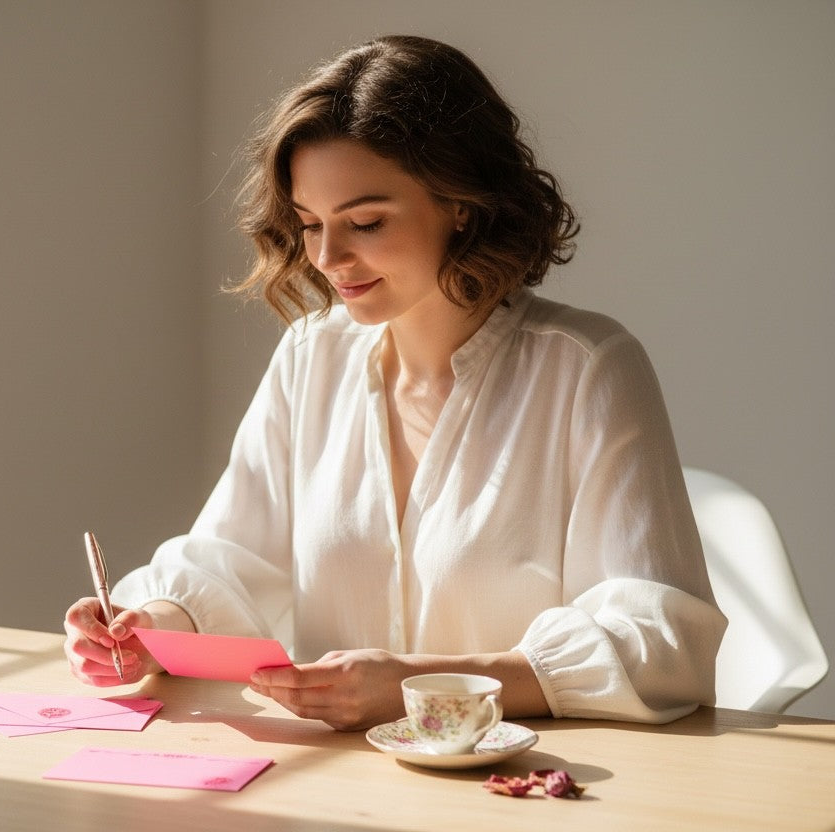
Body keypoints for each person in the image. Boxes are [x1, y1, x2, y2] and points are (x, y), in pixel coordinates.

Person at [62, 35, 726, 731]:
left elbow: (661, 647)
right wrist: (148, 629)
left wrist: (421, 685)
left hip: (528, 788)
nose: (326, 257)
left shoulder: (587, 367)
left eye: (366, 222)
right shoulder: (309, 358)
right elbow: (234, 561)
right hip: (336, 787)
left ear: (461, 202)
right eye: (310, 223)